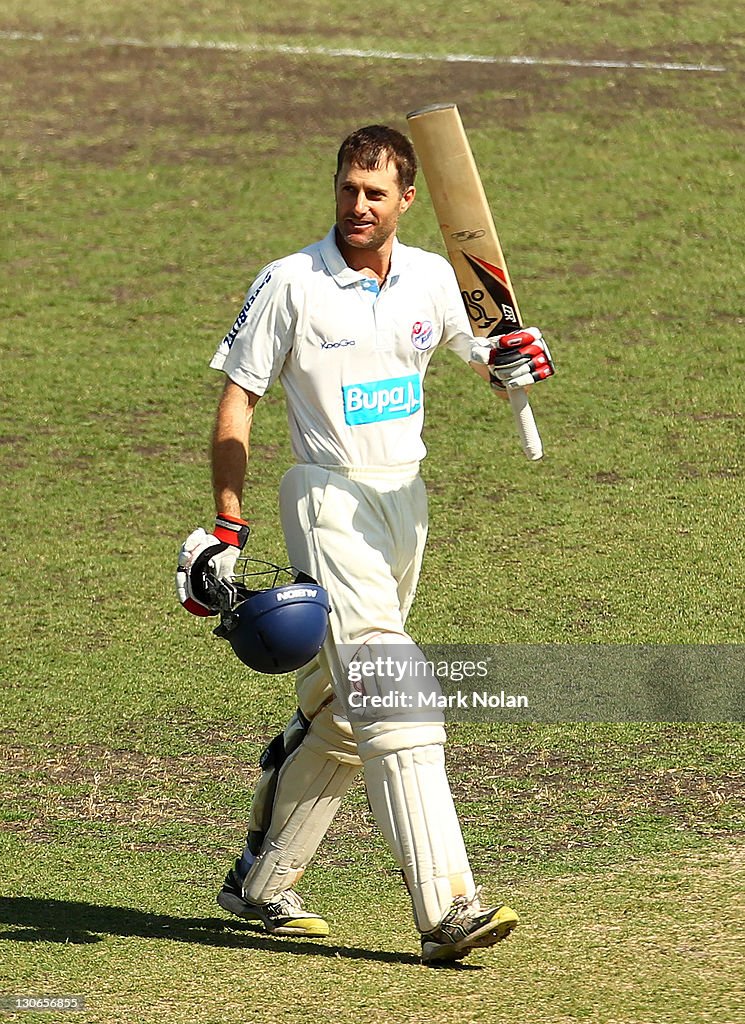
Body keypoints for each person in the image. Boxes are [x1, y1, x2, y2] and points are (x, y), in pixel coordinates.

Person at [177, 124, 554, 964]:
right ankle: (448, 908)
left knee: (347, 709)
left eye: (374, 193)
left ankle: (260, 879)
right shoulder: (289, 283)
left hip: (403, 504)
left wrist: (521, 360)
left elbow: (488, 355)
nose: (356, 205)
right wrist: (227, 523)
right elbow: (238, 400)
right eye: (348, 188)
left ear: (405, 201)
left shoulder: (430, 277)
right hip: (324, 494)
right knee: (394, 687)